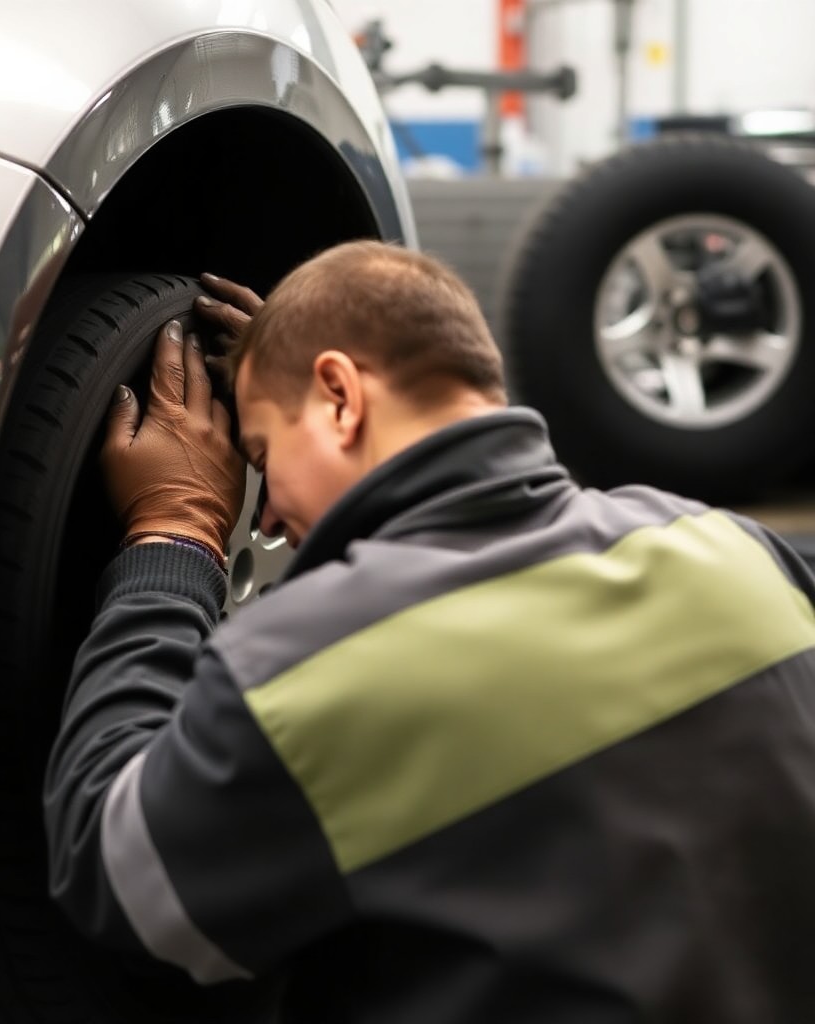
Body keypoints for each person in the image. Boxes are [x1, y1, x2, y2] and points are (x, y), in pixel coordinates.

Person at [43, 240, 815, 1023]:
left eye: (263, 453)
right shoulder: (737, 552)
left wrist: (172, 540)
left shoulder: (315, 664)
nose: (265, 513)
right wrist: (278, 373)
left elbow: (114, 870)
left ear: (340, 396)